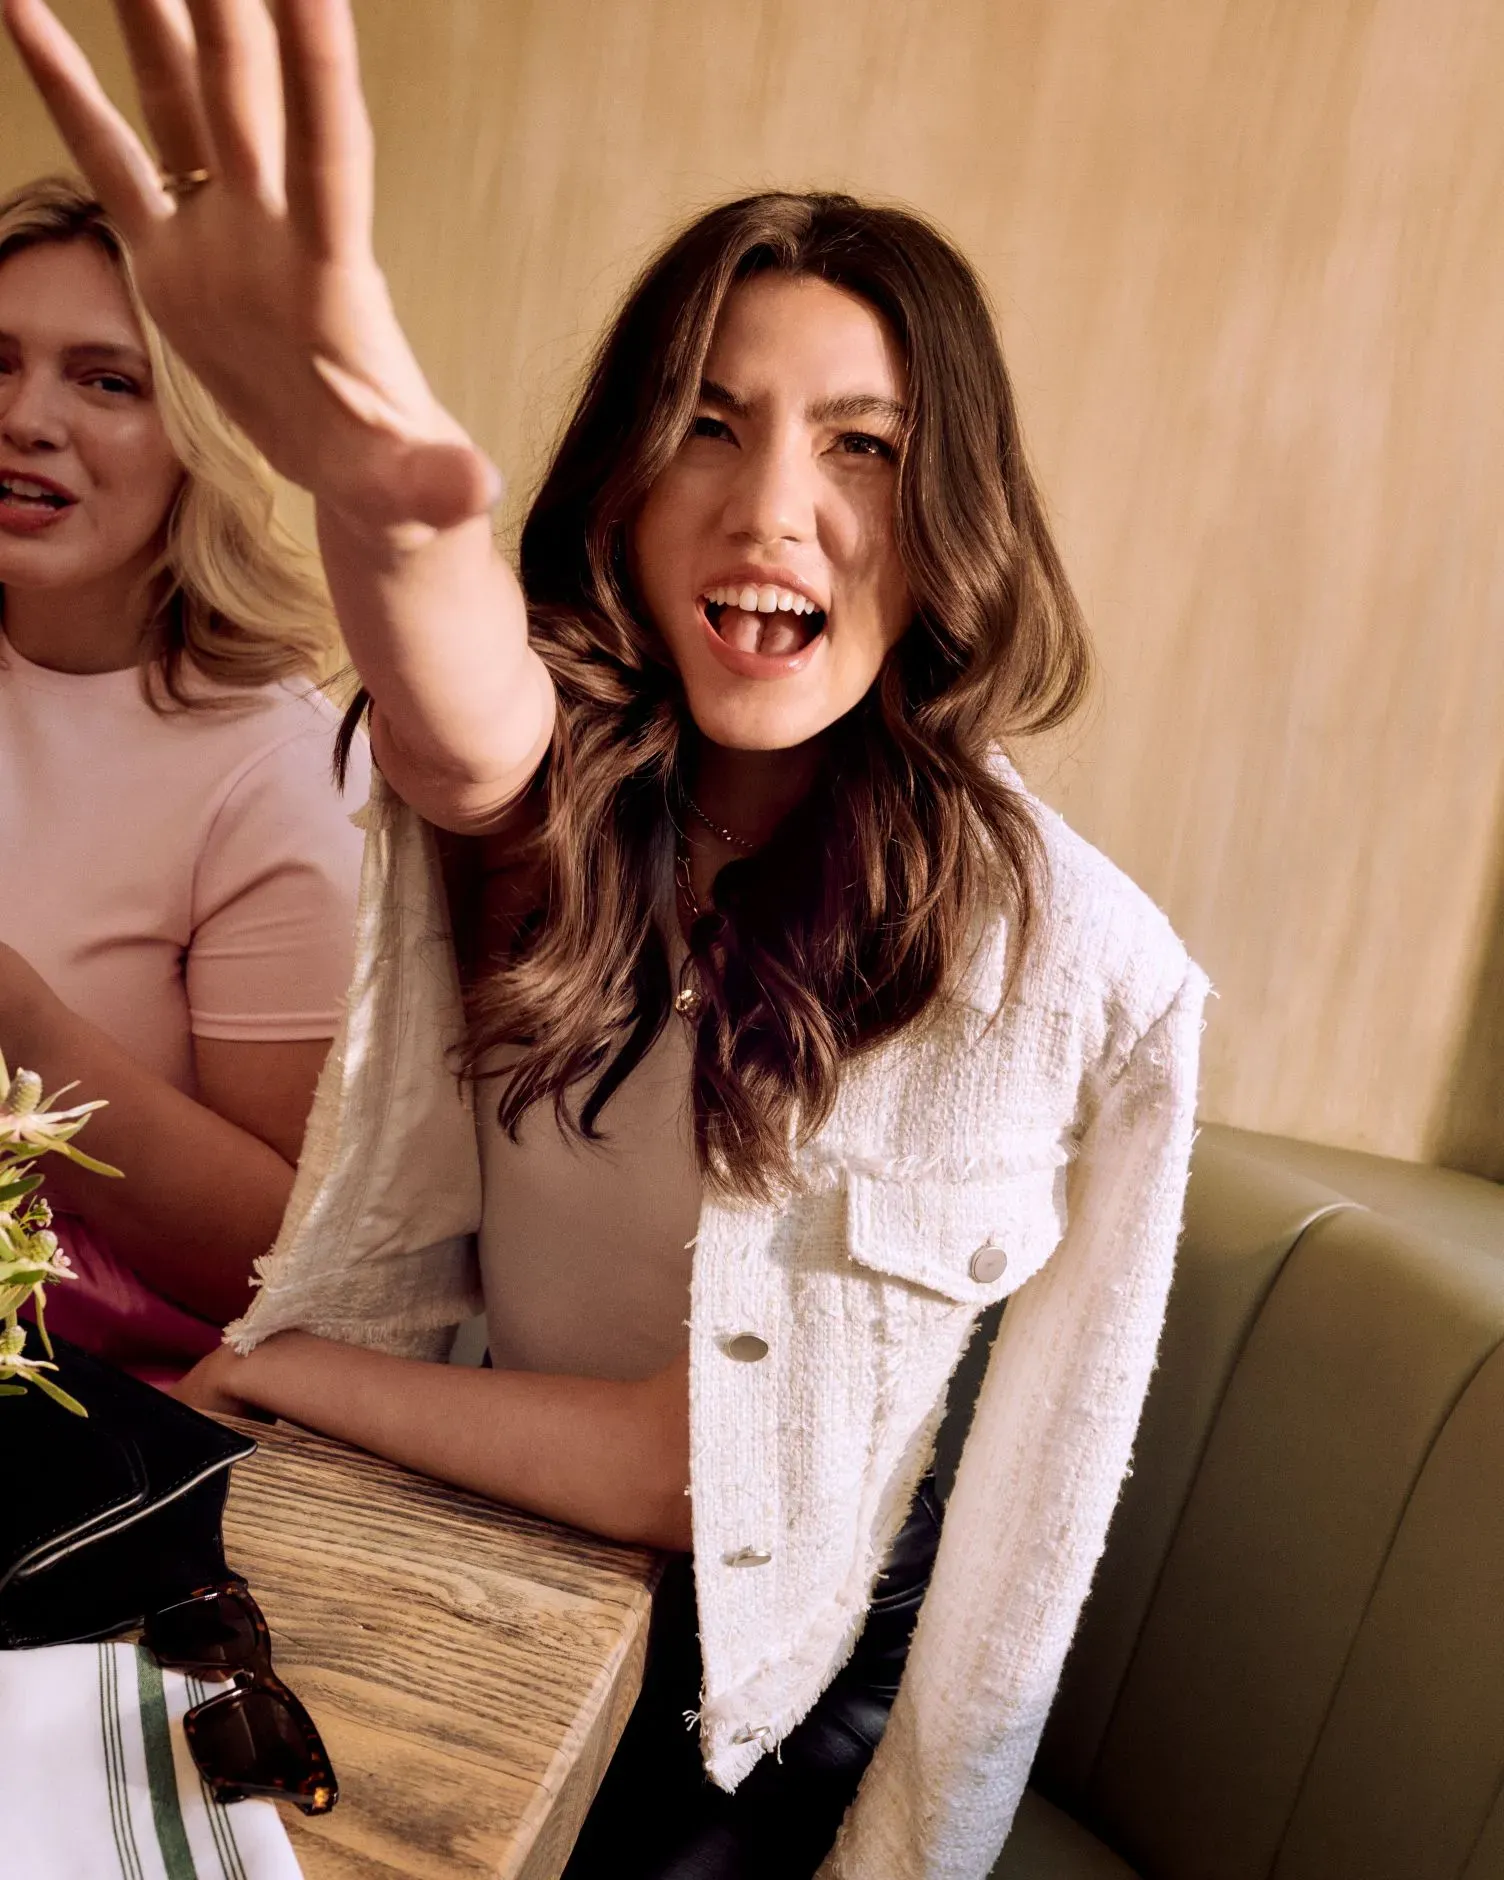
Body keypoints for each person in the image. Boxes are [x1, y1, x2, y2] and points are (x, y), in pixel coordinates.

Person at [4, 3, 1207, 1874]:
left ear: (947, 505)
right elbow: (470, 725)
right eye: (705, 425)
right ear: (627, 489)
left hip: (756, 1699)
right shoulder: (568, 803)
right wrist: (374, 477)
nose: (771, 505)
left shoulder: (1050, 964)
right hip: (472, 1546)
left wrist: (284, 1370)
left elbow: (702, 1472)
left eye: (862, 447)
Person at [0, 172, 369, 1385]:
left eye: (105, 379)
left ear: (205, 436)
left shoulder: (278, 767)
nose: (26, 417)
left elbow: (278, 1262)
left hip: (86, 1421)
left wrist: (22, 1032)